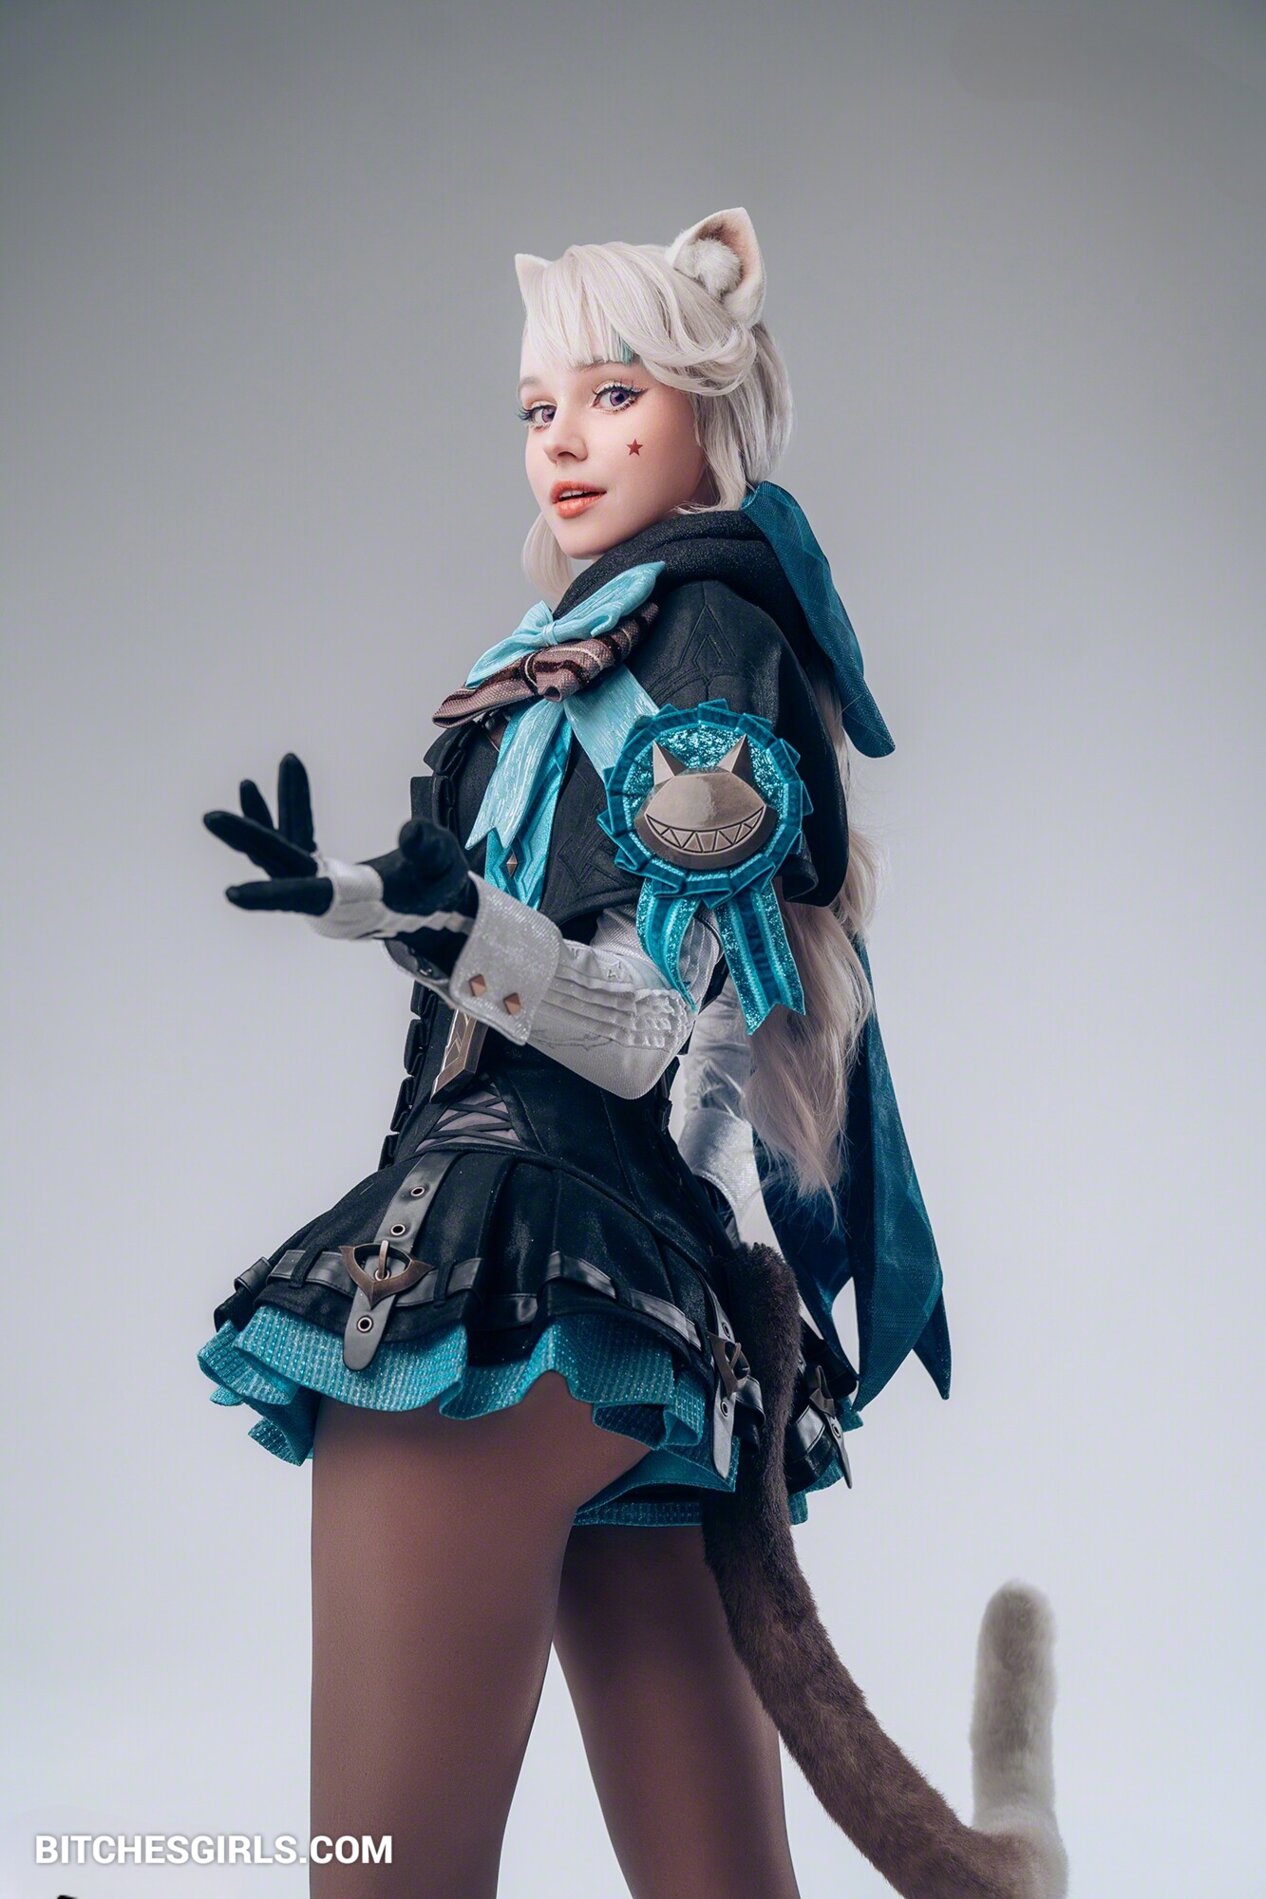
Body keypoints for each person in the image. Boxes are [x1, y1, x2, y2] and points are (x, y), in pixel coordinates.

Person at [198, 209, 1066, 1899]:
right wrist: (370, 901)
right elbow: (505, 950)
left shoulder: (705, 645)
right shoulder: (552, 660)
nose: (565, 441)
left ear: (708, 407)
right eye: (539, 408)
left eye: (614, 395)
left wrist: (456, 923)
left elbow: (657, 1038)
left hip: (532, 1274)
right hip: (624, 1321)